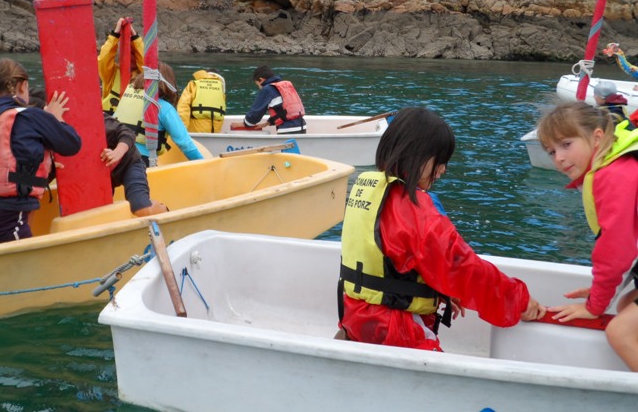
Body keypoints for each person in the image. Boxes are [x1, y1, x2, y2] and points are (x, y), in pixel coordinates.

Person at [338, 106, 544, 351]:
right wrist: (517, 300)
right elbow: (461, 265)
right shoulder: (414, 210)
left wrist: (439, 290)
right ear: (417, 154)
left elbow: (396, 260)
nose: (443, 169)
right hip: (394, 328)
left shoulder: (370, 189)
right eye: (440, 160)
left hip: (356, 317)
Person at [537, 100, 638, 371]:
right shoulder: (621, 163)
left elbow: (617, 252)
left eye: (566, 144)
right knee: (627, 304)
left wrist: (595, 306)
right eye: (551, 151)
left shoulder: (613, 176)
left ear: (597, 137)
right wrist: (604, 292)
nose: (558, 158)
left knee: (621, 332)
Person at [0, 58, 82, 243]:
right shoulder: (30, 116)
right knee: (26, 258)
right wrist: (54, 118)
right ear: (22, 86)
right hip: (9, 211)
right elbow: (71, 144)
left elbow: (18, 149)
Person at [114, 61, 204, 165]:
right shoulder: (164, 108)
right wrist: (204, 164)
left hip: (115, 155)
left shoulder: (126, 98)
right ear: (169, 83)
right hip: (141, 161)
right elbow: (184, 143)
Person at [100, 113, 169, 217]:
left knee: (141, 208)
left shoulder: (97, 118)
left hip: (128, 164)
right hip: (103, 175)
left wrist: (118, 152)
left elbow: (127, 133)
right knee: (98, 211)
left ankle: (166, 212)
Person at [231, 65, 306, 134]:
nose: (259, 88)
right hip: (302, 126)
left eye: (257, 85)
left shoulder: (267, 89)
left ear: (261, 80)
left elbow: (255, 113)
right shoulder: (283, 87)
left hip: (287, 129)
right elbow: (283, 111)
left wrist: (246, 124)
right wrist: (268, 122)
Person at [98, 17, 144, 115]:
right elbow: (103, 59)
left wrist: (135, 37)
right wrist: (115, 35)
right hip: (111, 121)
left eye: (134, 54)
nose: (130, 57)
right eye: (128, 53)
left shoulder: (142, 76)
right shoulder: (111, 74)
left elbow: (147, 63)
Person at [177, 69, 227, 133]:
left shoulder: (193, 84)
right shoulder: (221, 88)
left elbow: (183, 108)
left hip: (196, 131)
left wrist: (181, 130)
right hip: (215, 131)